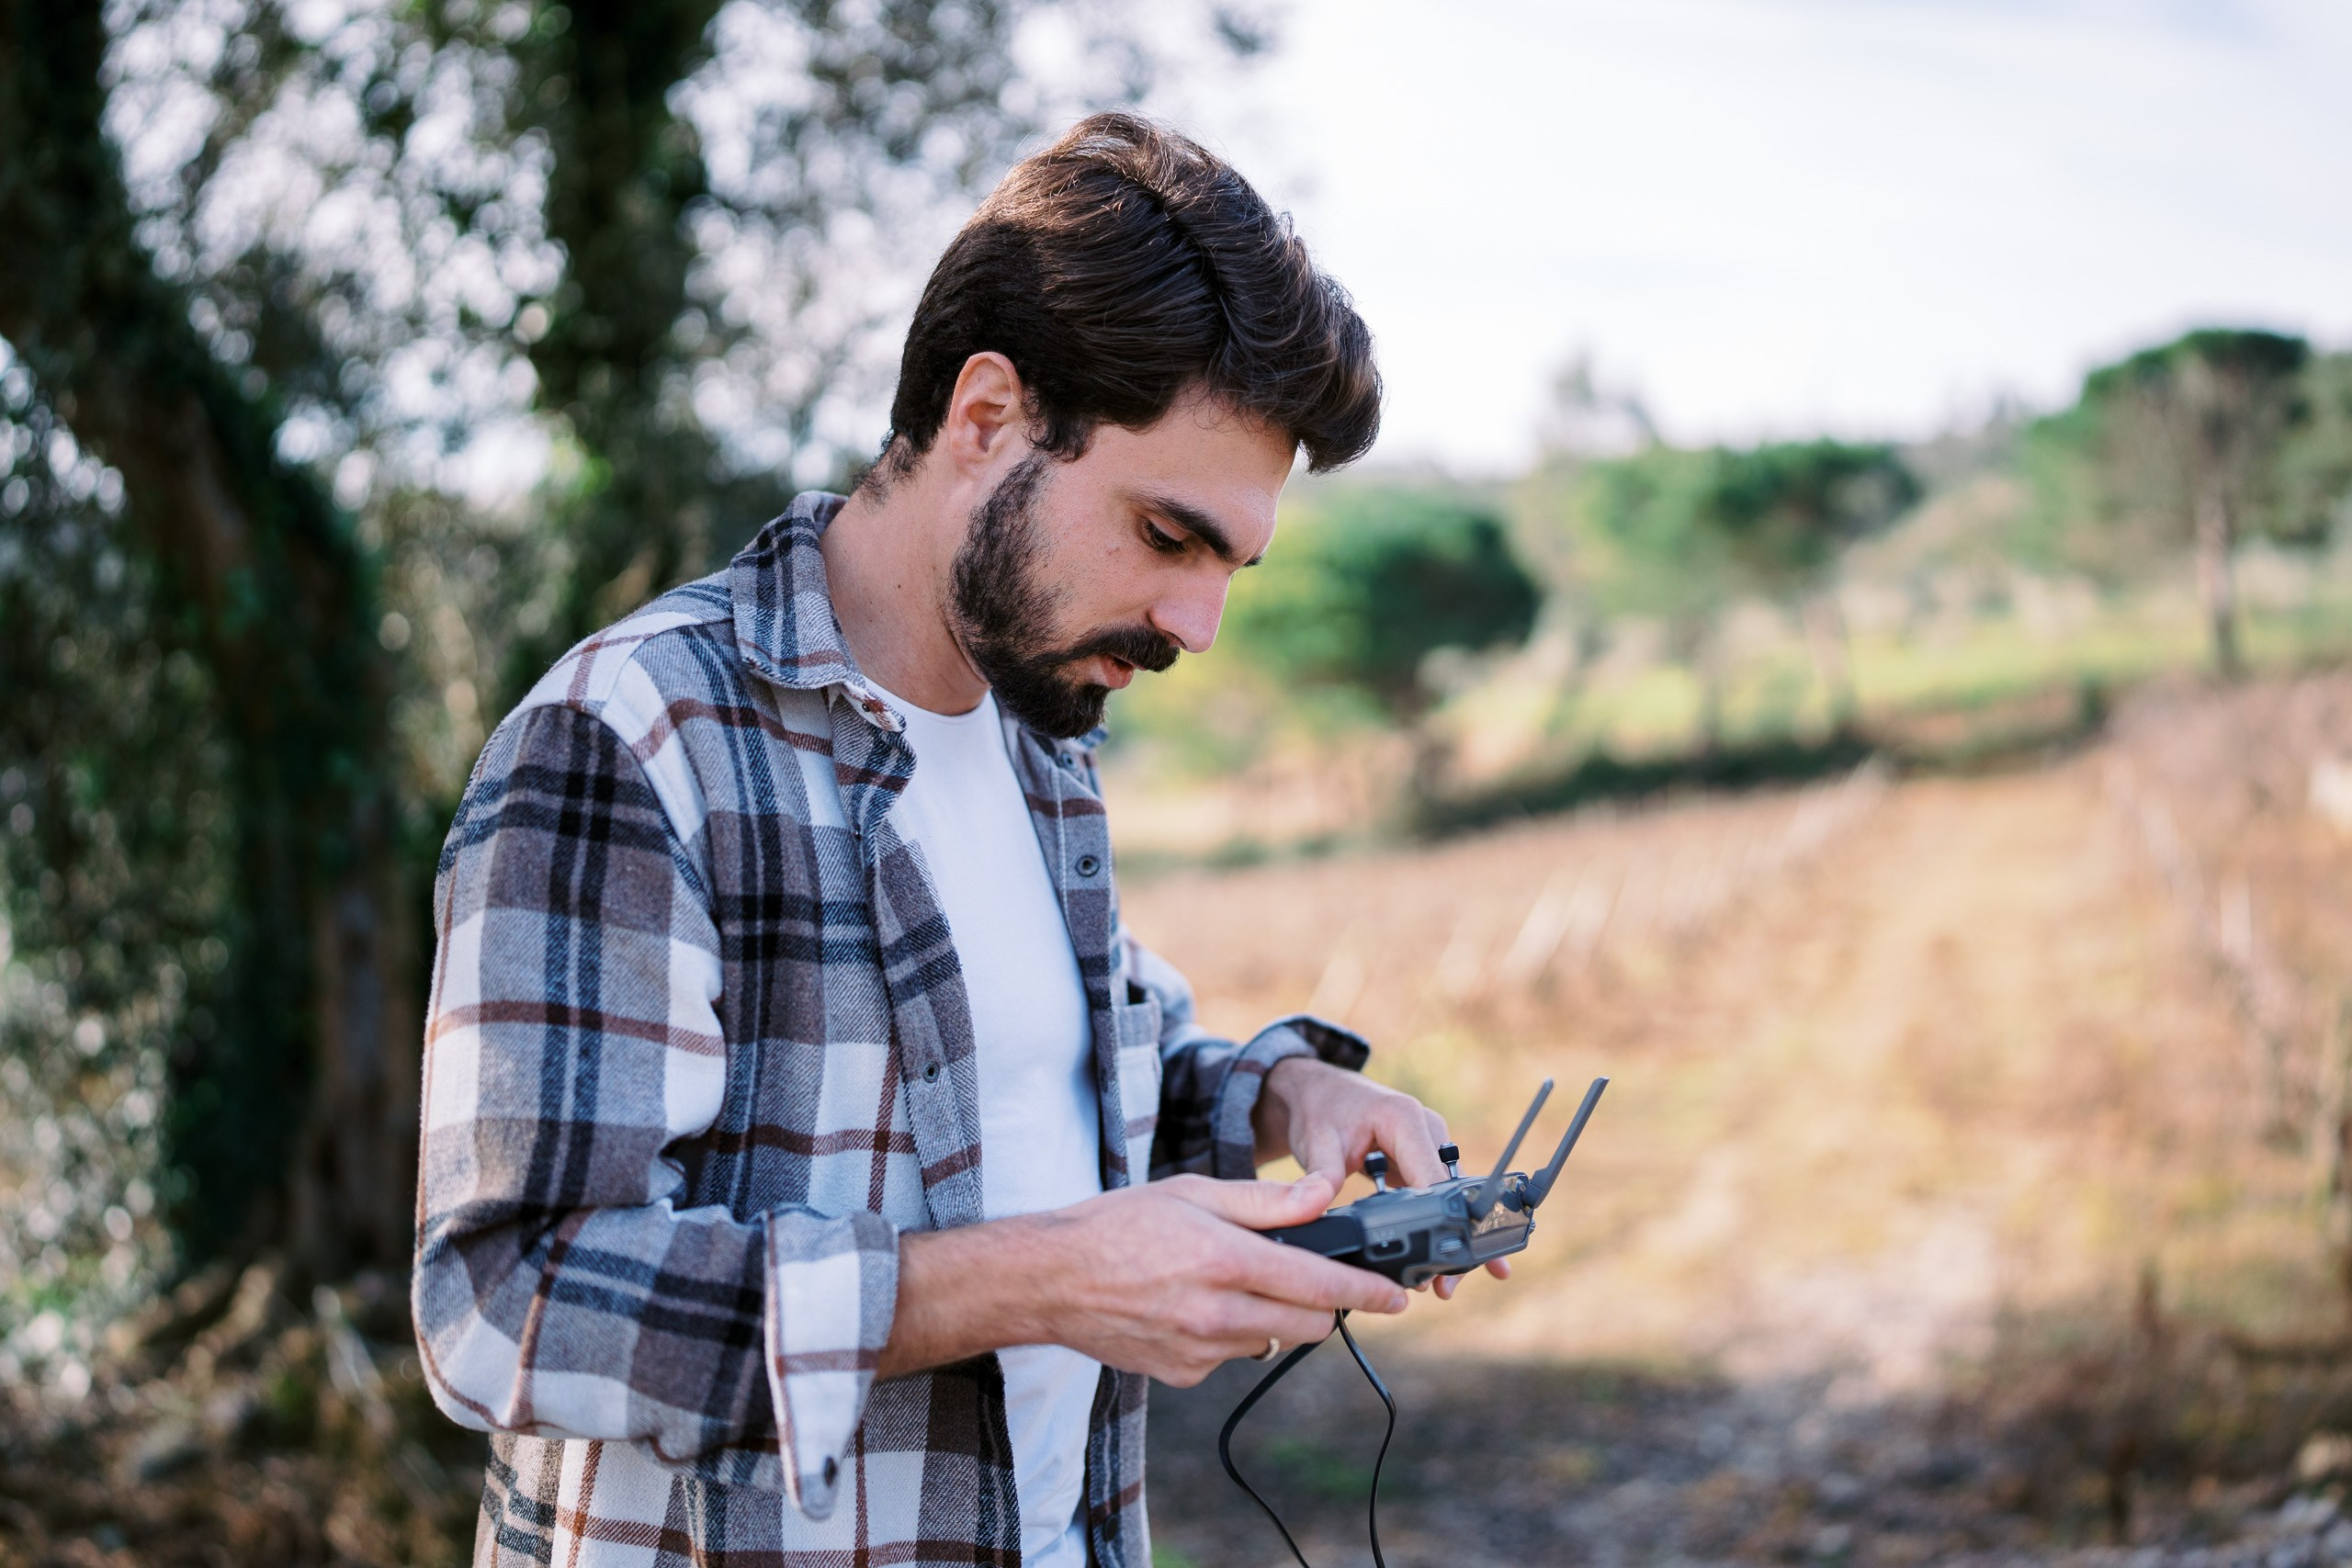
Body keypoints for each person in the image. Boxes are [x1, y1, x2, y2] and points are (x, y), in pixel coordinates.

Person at [412, 111, 1505, 1568]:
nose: (1198, 625)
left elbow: (1043, 1080)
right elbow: (505, 1305)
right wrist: (1041, 1281)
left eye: (1232, 566)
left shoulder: (1041, 732)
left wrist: (1280, 1094)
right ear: (986, 417)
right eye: (1167, 536)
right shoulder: (631, 737)